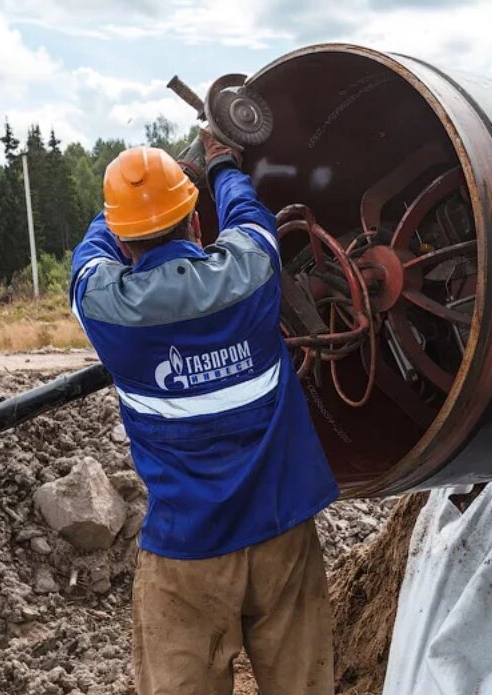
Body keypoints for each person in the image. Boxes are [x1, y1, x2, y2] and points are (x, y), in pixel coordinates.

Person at [69, 130, 339, 695]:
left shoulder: (107, 309)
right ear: (196, 223)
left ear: (124, 243)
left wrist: (127, 205)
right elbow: (251, 217)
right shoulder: (252, 272)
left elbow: (90, 254)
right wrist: (218, 165)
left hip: (188, 551)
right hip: (281, 531)